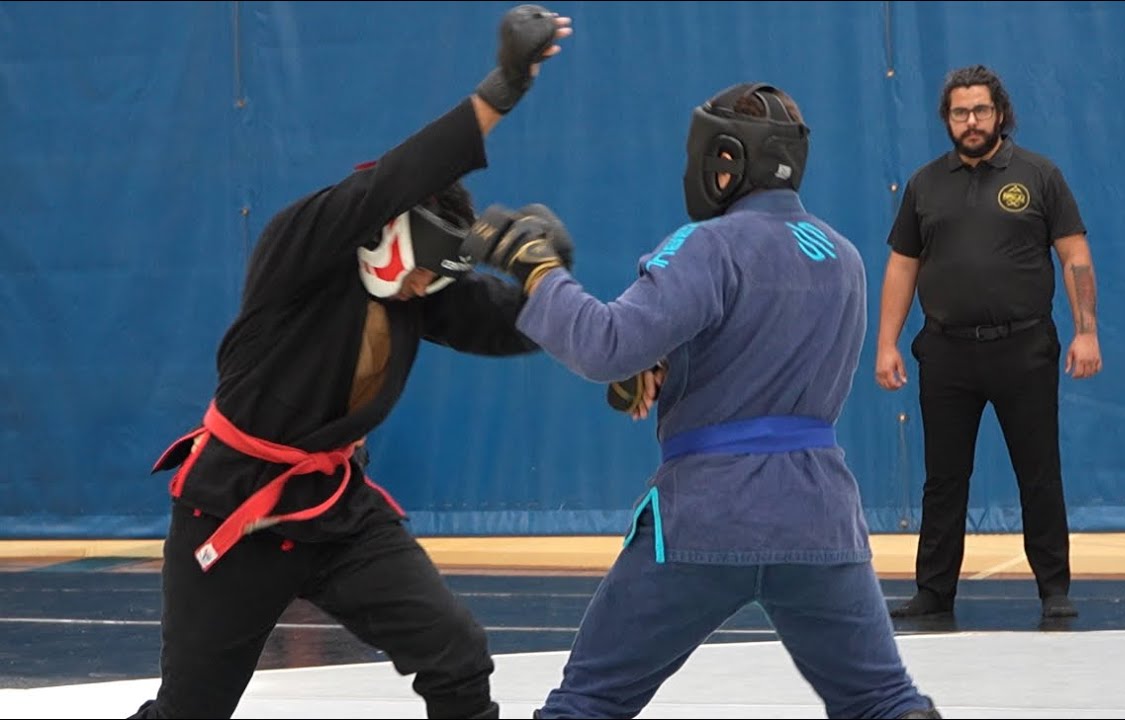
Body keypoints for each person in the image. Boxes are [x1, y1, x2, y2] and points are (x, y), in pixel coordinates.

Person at [129, 6, 572, 718]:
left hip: (335, 510)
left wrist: (548, 276)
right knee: (191, 709)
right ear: (390, 231)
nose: (424, 287)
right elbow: (395, 178)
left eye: (436, 278)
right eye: (424, 268)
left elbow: (505, 323)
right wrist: (504, 88)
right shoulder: (304, 243)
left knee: (457, 653)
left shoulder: (413, 293)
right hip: (235, 507)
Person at [463, 82, 941, 719]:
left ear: (726, 157)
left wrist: (538, 270)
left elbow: (606, 345)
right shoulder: (844, 258)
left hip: (709, 515)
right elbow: (759, 347)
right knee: (884, 701)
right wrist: (669, 361)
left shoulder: (708, 245)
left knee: (589, 702)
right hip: (819, 520)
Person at [874, 64, 1102, 621]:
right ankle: (934, 591)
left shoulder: (1039, 175)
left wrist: (1086, 331)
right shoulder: (925, 185)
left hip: (1024, 348)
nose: (971, 121)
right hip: (946, 352)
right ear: (947, 119)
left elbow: (1074, 255)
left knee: (1038, 472)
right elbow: (902, 266)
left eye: (980, 110)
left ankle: (1053, 588)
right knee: (943, 479)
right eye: (960, 112)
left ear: (999, 113)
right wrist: (886, 343)